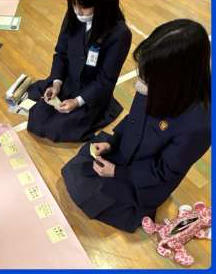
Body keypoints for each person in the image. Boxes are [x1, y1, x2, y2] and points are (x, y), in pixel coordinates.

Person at [62, 19, 210, 233]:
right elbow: (134, 118)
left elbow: (164, 172)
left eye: (147, 79)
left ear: (174, 79)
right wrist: (113, 143)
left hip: (144, 181)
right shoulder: (157, 82)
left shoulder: (199, 124)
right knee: (80, 169)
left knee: (97, 195)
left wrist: (118, 172)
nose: (139, 82)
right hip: (126, 151)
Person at [27, 0, 131, 142]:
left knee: (56, 129)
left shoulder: (120, 33)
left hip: (92, 93)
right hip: (68, 82)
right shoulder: (73, 15)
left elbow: (105, 80)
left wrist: (77, 101)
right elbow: (61, 53)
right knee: (37, 120)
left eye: (84, 7)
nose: (78, 11)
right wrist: (56, 83)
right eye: (74, 4)